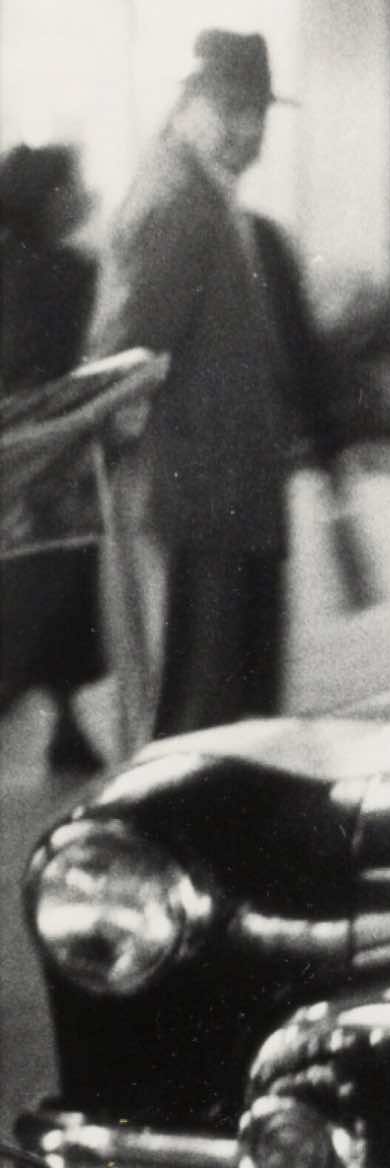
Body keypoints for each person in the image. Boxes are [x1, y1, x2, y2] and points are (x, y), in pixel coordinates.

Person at [89, 28, 364, 735]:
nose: (250, 129)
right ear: (188, 105)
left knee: (238, 706)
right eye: (232, 108)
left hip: (231, 495)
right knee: (204, 714)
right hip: (200, 506)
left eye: (259, 112)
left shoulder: (209, 200)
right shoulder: (175, 203)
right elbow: (121, 361)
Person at [0, 144, 107, 771]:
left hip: (40, 457)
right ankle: (59, 719)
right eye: (73, 186)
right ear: (48, 197)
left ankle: (65, 723)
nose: (83, 196)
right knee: (45, 590)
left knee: (50, 590)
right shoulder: (65, 271)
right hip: (47, 457)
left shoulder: (56, 266)